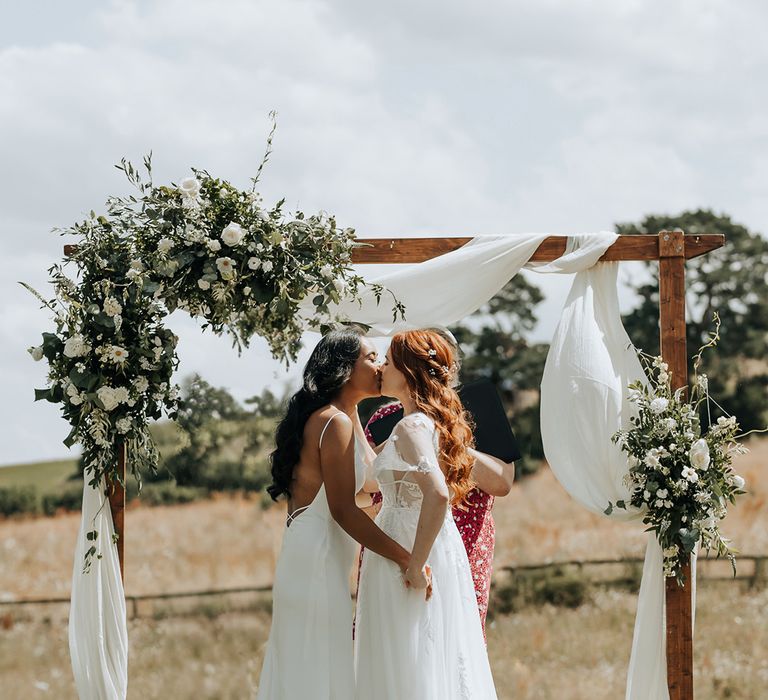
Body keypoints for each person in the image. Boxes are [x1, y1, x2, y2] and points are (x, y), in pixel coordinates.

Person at [256, 329, 424, 700]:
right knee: (315, 669)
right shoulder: (335, 422)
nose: (380, 365)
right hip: (316, 560)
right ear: (345, 369)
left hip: (319, 555)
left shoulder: (347, 418)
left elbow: (363, 491)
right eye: (371, 357)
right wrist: (405, 557)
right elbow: (344, 510)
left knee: (317, 666)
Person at [354, 329, 497, 699]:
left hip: (408, 548)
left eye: (388, 360)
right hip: (423, 543)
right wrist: (351, 406)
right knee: (421, 655)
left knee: (410, 655)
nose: (382, 366)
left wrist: (415, 565)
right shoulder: (417, 424)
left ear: (408, 370)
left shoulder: (411, 426)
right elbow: (369, 481)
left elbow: (436, 492)